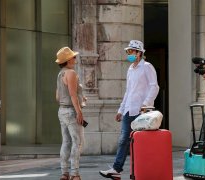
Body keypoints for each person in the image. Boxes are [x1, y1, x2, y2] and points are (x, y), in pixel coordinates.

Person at [99, 40, 159, 179]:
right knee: (123, 140)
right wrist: (121, 109)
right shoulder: (130, 69)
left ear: (139, 53)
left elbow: (154, 87)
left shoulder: (147, 67)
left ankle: (145, 170)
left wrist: (146, 104)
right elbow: (128, 91)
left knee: (141, 143)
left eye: (132, 51)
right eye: (129, 51)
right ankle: (116, 170)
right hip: (128, 110)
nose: (129, 54)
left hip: (142, 111)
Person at [55, 47, 87, 180]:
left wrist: (80, 98)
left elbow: (57, 96)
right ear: (68, 60)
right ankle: (75, 174)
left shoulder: (60, 74)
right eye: (73, 57)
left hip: (62, 110)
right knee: (77, 142)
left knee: (66, 142)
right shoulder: (71, 73)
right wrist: (79, 111)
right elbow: (73, 95)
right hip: (71, 110)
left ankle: (64, 173)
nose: (75, 58)